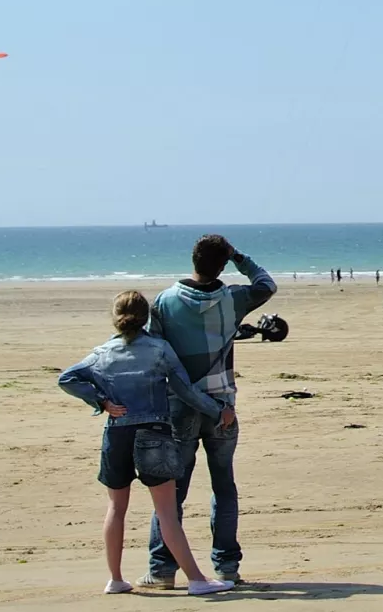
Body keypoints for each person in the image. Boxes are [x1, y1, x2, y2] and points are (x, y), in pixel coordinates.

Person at [58, 290, 235, 597]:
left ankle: (115, 579)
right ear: (146, 318)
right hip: (153, 432)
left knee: (116, 508)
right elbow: (185, 391)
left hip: (116, 434)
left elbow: (67, 378)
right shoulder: (159, 349)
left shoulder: (102, 353)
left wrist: (101, 401)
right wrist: (218, 410)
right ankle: (196, 579)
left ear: (115, 318)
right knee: (166, 512)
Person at [141, 235, 276, 589]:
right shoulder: (232, 299)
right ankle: (227, 567)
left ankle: (161, 568)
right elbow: (265, 284)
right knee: (223, 486)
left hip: (179, 404)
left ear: (193, 260)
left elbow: (156, 352)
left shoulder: (166, 301)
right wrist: (239, 258)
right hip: (222, 406)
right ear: (223, 262)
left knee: (172, 492)